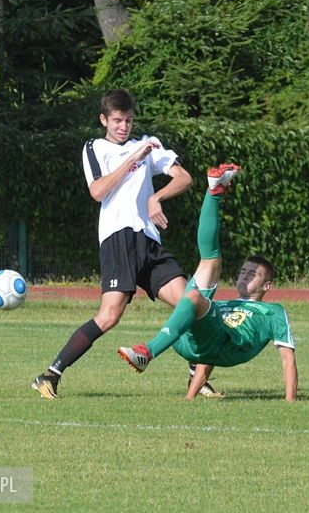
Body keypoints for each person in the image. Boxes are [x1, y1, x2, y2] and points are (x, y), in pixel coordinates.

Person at [32, 89, 222, 399]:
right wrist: (133, 159)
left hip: (149, 241)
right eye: (118, 121)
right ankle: (50, 374)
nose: (124, 127)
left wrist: (156, 196)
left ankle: (195, 378)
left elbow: (184, 178)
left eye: (129, 121)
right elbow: (97, 191)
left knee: (191, 302)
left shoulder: (147, 144)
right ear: (104, 119)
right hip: (118, 238)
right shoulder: (96, 148)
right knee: (109, 316)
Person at [116, 164, 298, 402]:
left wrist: (290, 401)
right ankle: (214, 191)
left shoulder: (273, 312)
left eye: (253, 274)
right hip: (188, 341)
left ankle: (148, 352)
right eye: (243, 271)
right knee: (209, 263)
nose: (244, 276)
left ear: (267, 285)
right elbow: (206, 354)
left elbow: (287, 358)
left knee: (196, 289)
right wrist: (189, 399)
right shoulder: (225, 304)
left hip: (229, 345)